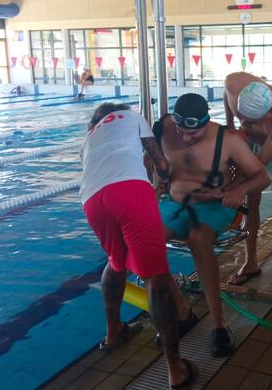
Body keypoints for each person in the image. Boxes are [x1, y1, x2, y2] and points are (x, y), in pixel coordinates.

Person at [80, 102, 197, 389]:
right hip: (130, 192)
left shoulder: (90, 137)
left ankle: (112, 334)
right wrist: (164, 185)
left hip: (91, 200)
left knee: (116, 261)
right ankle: (175, 370)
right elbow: (161, 163)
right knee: (155, 277)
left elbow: (107, 168)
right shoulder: (132, 116)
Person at [153, 93, 271, 357]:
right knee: (147, 245)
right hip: (173, 203)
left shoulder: (227, 140)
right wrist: (156, 180)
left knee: (198, 238)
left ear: (206, 123)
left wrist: (239, 190)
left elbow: (263, 176)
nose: (186, 138)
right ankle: (182, 312)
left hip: (214, 206)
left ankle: (218, 324)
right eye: (181, 131)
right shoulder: (164, 128)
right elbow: (151, 156)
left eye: (193, 133)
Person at [223, 72, 272, 296]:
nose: (245, 123)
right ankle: (250, 262)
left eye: (251, 121)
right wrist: (231, 125)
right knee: (250, 201)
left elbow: (257, 170)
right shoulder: (235, 82)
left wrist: (236, 185)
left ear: (266, 115)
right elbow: (226, 95)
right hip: (247, 141)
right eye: (242, 117)